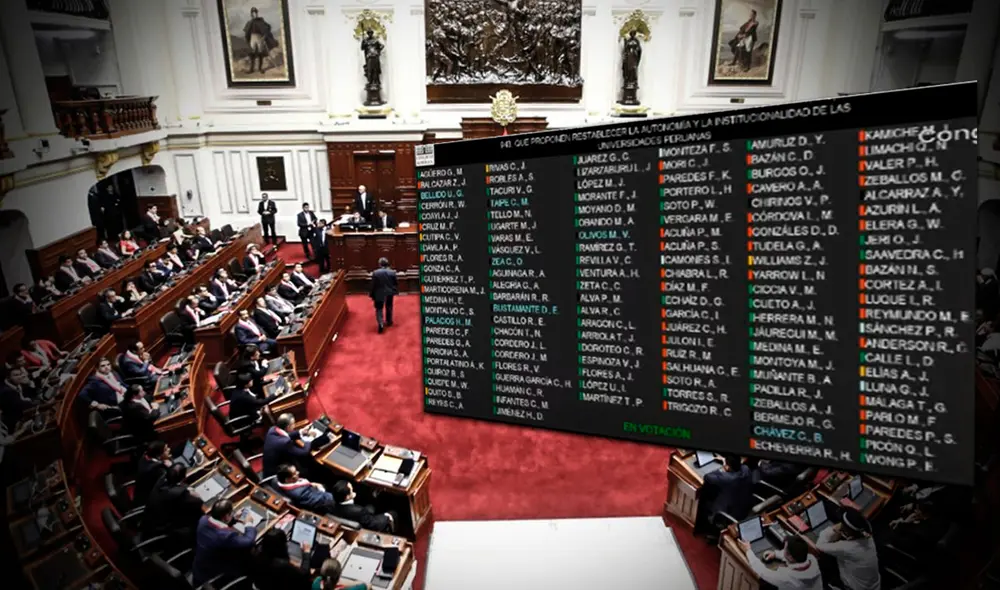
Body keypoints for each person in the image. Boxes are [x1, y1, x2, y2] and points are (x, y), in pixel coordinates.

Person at [192, 499, 258, 587]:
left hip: (198, 567)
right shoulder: (226, 537)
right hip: (211, 575)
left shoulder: (203, 520)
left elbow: (218, 525)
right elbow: (248, 541)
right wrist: (249, 523)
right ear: (226, 517)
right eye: (231, 512)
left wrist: (233, 518)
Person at [815, 507, 881, 590]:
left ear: (847, 530)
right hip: (874, 586)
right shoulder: (869, 538)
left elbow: (819, 545)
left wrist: (833, 528)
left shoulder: (846, 548)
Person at [142, 463, 203, 545]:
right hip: (159, 528)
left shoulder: (162, 479)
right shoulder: (179, 493)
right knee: (195, 526)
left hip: (147, 518)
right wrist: (190, 491)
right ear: (184, 478)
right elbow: (199, 502)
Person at [738, 535, 822, 590]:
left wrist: (748, 550)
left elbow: (762, 571)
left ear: (791, 557)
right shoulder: (811, 559)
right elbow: (792, 558)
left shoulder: (787, 578)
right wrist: (775, 554)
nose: (783, 550)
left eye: (785, 549)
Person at [700, 454, 754, 532]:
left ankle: (704, 527)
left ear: (727, 467)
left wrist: (722, 469)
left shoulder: (726, 478)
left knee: (705, 500)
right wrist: (725, 461)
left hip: (729, 513)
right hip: (745, 508)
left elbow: (707, 477)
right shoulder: (746, 469)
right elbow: (740, 466)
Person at [262, 413, 314, 478]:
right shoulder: (285, 443)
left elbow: (285, 435)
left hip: (268, 467)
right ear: (288, 427)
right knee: (307, 466)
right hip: (277, 474)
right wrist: (310, 439)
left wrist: (301, 432)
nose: (294, 426)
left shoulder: (272, 430)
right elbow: (303, 452)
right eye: (293, 424)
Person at [134, 440, 172, 505]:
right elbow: (169, 483)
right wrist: (170, 467)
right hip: (149, 501)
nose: (169, 449)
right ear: (159, 455)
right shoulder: (158, 470)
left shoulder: (144, 456)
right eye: (165, 449)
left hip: (139, 494)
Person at [370, 257, 398, 334]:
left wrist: (371, 294)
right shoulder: (392, 272)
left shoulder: (375, 273)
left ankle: (381, 324)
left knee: (379, 308)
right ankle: (389, 321)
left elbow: (373, 285)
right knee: (389, 306)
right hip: (389, 292)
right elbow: (395, 283)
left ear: (379, 264)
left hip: (379, 292)